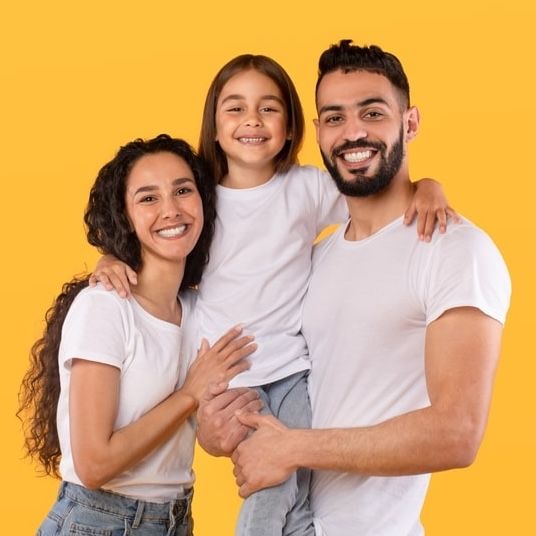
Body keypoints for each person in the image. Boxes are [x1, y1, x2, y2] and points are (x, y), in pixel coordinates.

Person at [91, 55, 455, 536]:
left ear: (290, 129)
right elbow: (153, 239)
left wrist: (429, 185)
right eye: (235, 109)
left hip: (292, 373)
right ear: (215, 128)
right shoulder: (198, 198)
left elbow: (376, 191)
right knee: (276, 483)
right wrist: (108, 259)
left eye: (269, 109)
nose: (252, 121)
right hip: (230, 378)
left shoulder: (304, 188)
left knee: (300, 479)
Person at [208, 41, 512, 535]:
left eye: (372, 112)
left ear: (409, 123)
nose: (352, 133)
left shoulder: (455, 251)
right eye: (333, 118)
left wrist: (292, 447)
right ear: (319, 133)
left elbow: (458, 434)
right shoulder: (316, 258)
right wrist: (217, 431)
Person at [18, 134, 256, 536]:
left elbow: (203, 438)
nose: (171, 209)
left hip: (175, 519)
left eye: (183, 190)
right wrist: (189, 395)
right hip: (99, 522)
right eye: (148, 198)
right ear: (125, 217)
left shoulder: (202, 312)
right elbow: (94, 465)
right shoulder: (105, 307)